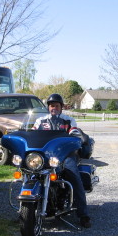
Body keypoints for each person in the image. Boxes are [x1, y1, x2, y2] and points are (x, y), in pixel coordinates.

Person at [32, 93, 91, 228]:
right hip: (45, 156)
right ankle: (25, 211)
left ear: (61, 107)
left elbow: (75, 134)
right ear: (48, 107)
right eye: (52, 105)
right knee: (31, 174)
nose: (54, 108)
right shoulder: (40, 121)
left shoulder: (68, 121)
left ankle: (84, 215)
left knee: (74, 176)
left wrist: (76, 136)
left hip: (66, 155)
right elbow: (32, 134)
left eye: (57, 105)